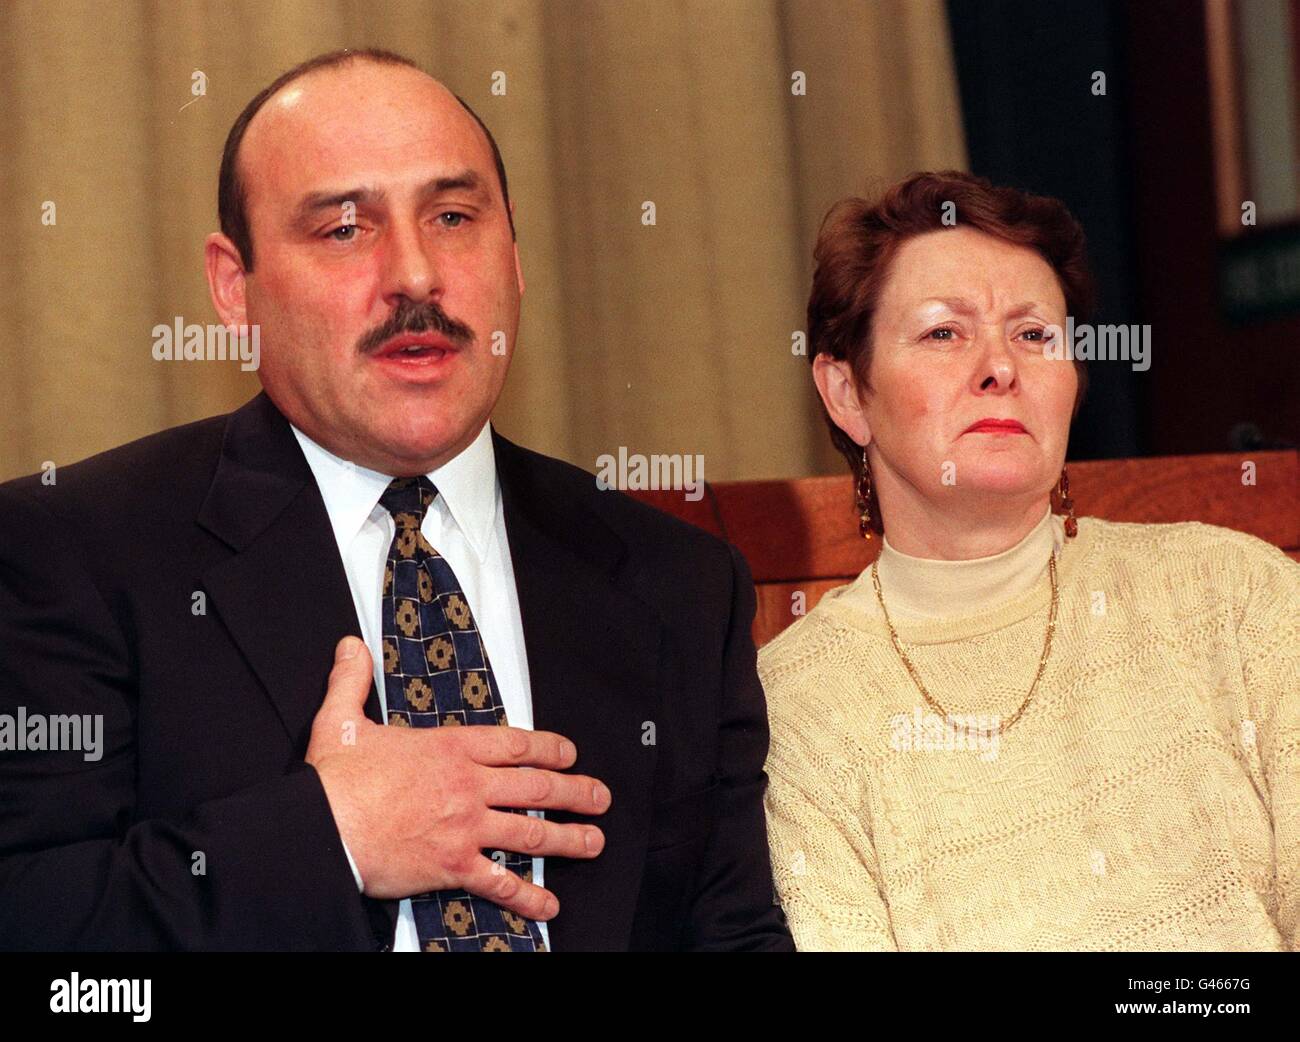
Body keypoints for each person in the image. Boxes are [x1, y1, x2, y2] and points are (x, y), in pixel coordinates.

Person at [0, 48, 793, 952]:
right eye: (345, 229)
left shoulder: (681, 583)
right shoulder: (67, 553)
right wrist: (330, 838)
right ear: (234, 288)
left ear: (516, 259)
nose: (415, 276)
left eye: (454, 217)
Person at [760, 170, 1299, 951]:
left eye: (1034, 334)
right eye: (944, 333)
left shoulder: (1236, 593)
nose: (1000, 367)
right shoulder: (796, 711)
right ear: (847, 393)